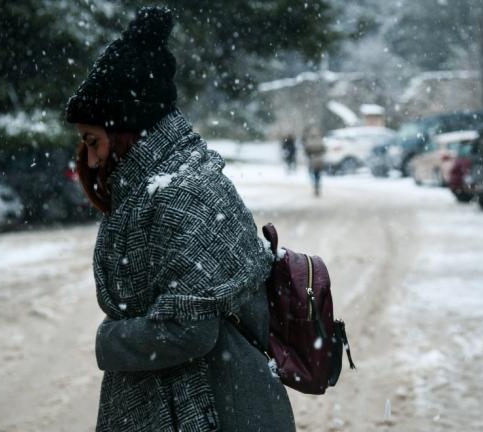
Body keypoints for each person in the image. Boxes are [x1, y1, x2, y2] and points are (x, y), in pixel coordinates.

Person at [65, 7, 295, 431]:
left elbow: (188, 331)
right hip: (201, 402)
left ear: (126, 131)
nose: (91, 159)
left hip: (211, 409)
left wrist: (110, 339)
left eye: (92, 140)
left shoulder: (184, 194)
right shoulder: (161, 186)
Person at [302, 125, 326, 197]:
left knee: (312, 173)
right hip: (318, 159)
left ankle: (315, 186)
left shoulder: (309, 140)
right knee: (317, 174)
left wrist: (310, 154)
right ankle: (317, 185)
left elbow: (306, 150)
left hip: (312, 159)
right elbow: (324, 149)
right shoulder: (320, 140)